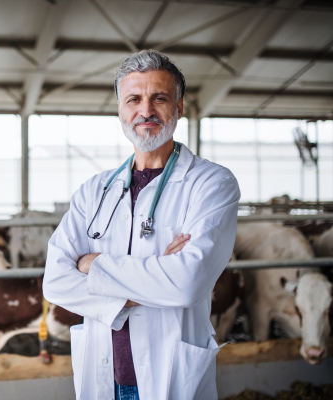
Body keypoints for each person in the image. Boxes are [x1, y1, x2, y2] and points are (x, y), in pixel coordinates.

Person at [42, 50, 240, 400]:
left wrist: (93, 265)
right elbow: (56, 282)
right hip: (104, 371)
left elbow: (186, 284)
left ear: (178, 107)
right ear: (120, 109)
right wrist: (154, 278)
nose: (145, 111)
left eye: (159, 98)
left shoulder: (211, 183)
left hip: (170, 371)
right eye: (133, 99)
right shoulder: (94, 191)